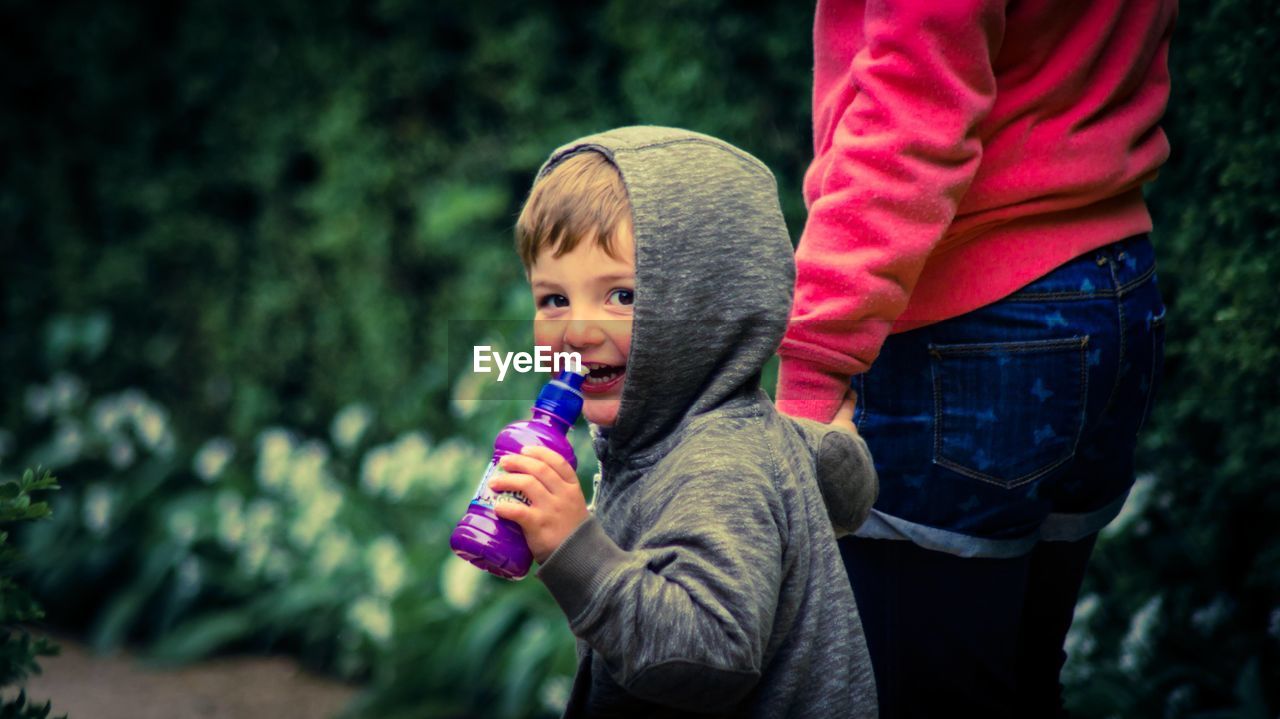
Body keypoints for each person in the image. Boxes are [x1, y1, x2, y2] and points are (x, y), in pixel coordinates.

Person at [774, 1, 1176, 717]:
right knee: (1018, 682)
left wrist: (810, 370)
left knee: (920, 695)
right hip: (1114, 294)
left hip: (967, 324)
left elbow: (912, 112)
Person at [486, 126, 879, 717]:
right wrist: (833, 453)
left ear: (712, 306)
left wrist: (575, 549)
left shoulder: (719, 468)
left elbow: (711, 655)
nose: (578, 330)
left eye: (622, 296)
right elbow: (838, 490)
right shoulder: (709, 436)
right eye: (554, 300)